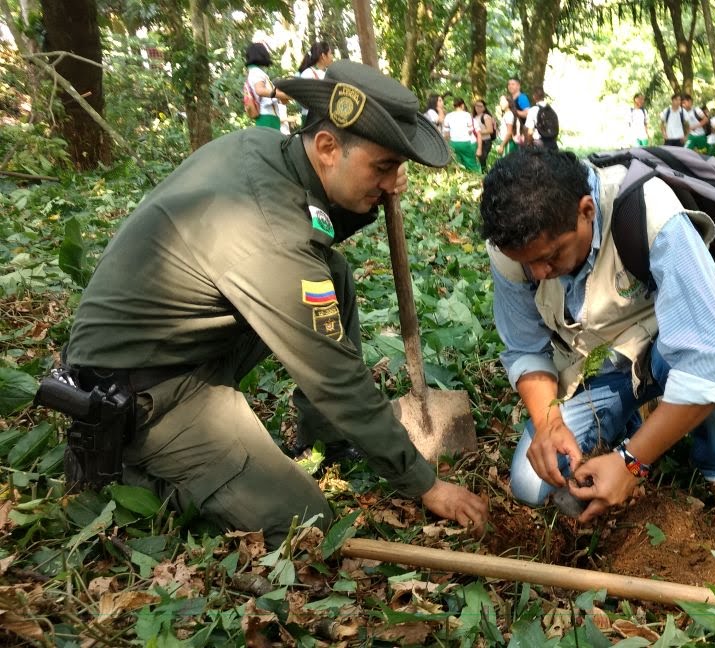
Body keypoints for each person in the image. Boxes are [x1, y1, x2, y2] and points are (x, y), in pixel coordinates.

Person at [63, 61, 489, 546]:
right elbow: (335, 376)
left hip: (183, 346)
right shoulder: (268, 232)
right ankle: (122, 467)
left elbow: (312, 232)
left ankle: (325, 435)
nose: (394, 184)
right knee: (303, 521)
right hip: (142, 391)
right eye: (384, 167)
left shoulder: (268, 149)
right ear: (328, 148)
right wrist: (425, 483)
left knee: (333, 275)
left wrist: (369, 193)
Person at [479, 149, 715, 538]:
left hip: (671, 341)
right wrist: (548, 424)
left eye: (550, 257)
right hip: (609, 363)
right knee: (532, 482)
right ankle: (642, 415)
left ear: (586, 211)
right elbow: (525, 348)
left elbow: (712, 355)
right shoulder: (511, 250)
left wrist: (633, 463)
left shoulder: (649, 214)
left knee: (706, 347)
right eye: (527, 264)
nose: (538, 273)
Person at [245, 41, 290, 130]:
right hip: (267, 116)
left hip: (268, 116)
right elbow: (260, 91)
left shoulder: (253, 72)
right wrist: (284, 95)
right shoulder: (257, 72)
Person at [296, 41, 333, 123]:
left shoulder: (329, 73)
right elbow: (303, 97)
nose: (332, 57)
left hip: (325, 117)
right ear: (323, 56)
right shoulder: (308, 73)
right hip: (311, 118)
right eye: (330, 53)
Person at [444, 97, 481, 172]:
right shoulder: (467, 115)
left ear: (454, 106)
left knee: (459, 164)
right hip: (466, 142)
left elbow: (446, 134)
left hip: (454, 143)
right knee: (471, 164)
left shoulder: (448, 116)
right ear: (463, 105)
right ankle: (477, 177)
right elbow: (470, 130)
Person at [472, 99, 497, 171]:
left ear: (484, 108)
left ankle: (485, 174)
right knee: (479, 160)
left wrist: (478, 132)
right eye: (476, 106)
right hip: (477, 141)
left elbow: (490, 130)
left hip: (486, 141)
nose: (478, 108)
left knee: (482, 159)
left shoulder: (486, 116)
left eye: (480, 106)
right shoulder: (474, 117)